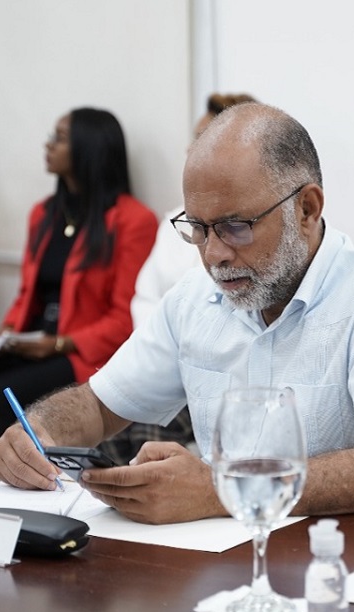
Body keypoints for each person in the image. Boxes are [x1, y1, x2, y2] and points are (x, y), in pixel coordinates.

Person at [0, 103, 354, 525]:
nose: (213, 253)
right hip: (226, 569)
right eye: (197, 228)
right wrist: (38, 430)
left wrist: (223, 487)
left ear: (307, 208)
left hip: (346, 570)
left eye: (235, 227)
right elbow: (98, 405)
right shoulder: (194, 299)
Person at [0, 107, 157, 451]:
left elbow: (124, 320)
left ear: (89, 149)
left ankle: (15, 483)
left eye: (59, 138)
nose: (48, 145)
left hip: (83, 352)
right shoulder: (44, 213)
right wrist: (5, 333)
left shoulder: (133, 221)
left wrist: (59, 343)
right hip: (36, 342)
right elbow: (27, 295)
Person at [110, 92, 258, 465]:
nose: (198, 150)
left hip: (223, 377)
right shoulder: (175, 221)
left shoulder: (264, 230)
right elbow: (145, 298)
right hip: (172, 361)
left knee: (150, 435)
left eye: (212, 140)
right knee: (114, 434)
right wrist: (169, 349)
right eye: (197, 139)